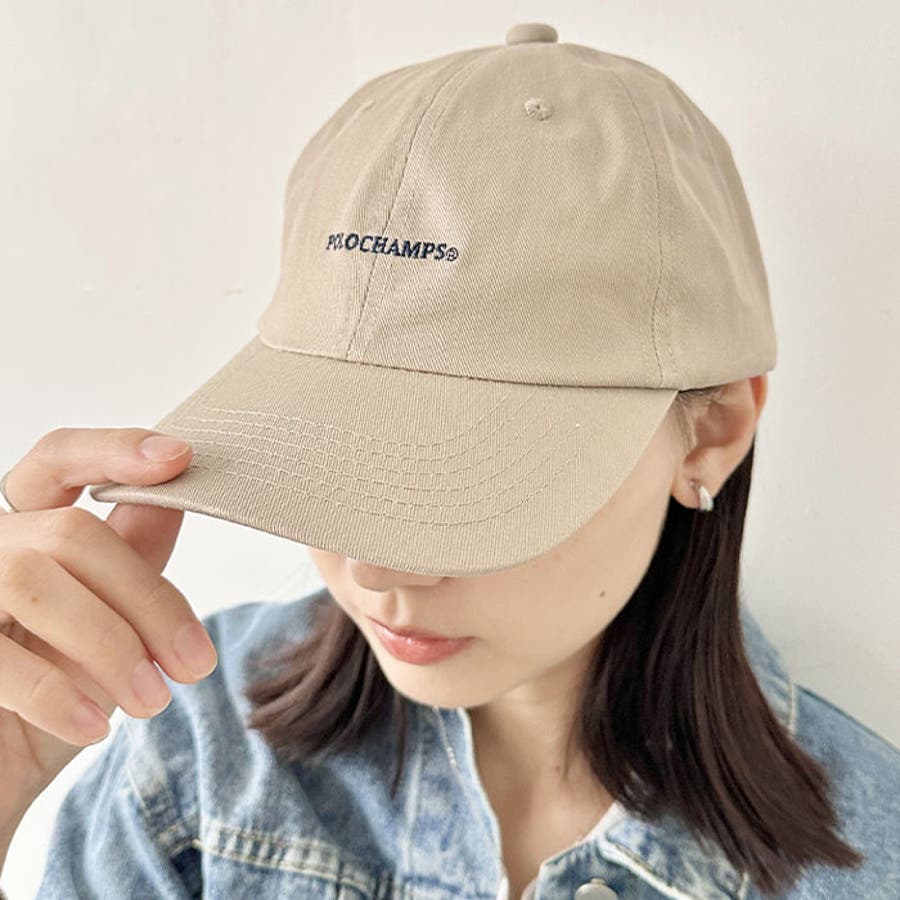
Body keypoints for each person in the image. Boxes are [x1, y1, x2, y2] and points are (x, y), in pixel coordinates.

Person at [1, 20, 898, 900]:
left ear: (708, 433)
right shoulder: (194, 737)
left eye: (470, 471)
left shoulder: (871, 862)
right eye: (327, 449)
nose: (371, 567)